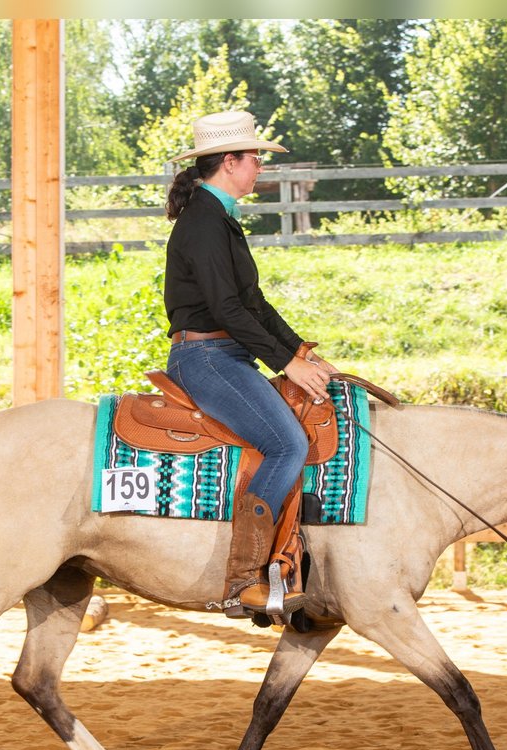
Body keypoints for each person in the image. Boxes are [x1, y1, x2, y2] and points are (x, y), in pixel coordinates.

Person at [163, 110, 338, 622]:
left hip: (225, 352)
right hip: (207, 357)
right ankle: (246, 578)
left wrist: (299, 351)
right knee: (287, 444)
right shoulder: (204, 222)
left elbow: (253, 302)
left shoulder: (217, 217)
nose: (260, 164)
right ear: (230, 162)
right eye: (255, 156)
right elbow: (227, 309)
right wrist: (284, 361)